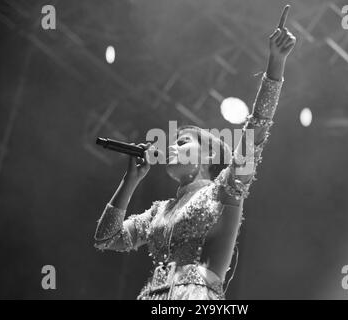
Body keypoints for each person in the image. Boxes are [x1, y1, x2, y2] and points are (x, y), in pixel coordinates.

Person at [94, 5, 296, 300]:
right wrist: (131, 180)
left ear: (208, 156)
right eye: (174, 142)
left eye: (183, 142)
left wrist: (275, 66)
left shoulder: (224, 191)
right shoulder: (157, 212)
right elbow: (105, 238)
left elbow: (255, 134)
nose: (172, 147)